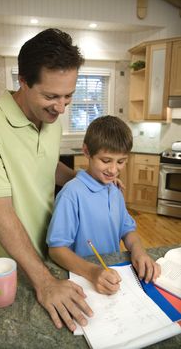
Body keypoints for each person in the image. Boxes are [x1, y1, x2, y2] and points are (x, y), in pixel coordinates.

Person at [0, 28, 94, 332]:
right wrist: (45, 283)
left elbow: (45, 163)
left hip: (55, 253)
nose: (61, 108)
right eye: (51, 96)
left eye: (68, 96)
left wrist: (85, 180)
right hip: (13, 269)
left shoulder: (51, 122)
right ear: (22, 81)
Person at [47, 116, 161, 294]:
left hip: (111, 275)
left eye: (121, 161)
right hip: (82, 279)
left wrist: (139, 251)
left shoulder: (114, 190)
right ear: (86, 151)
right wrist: (92, 272)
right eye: (106, 161)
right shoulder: (72, 194)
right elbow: (56, 249)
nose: (114, 170)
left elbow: (127, 230)